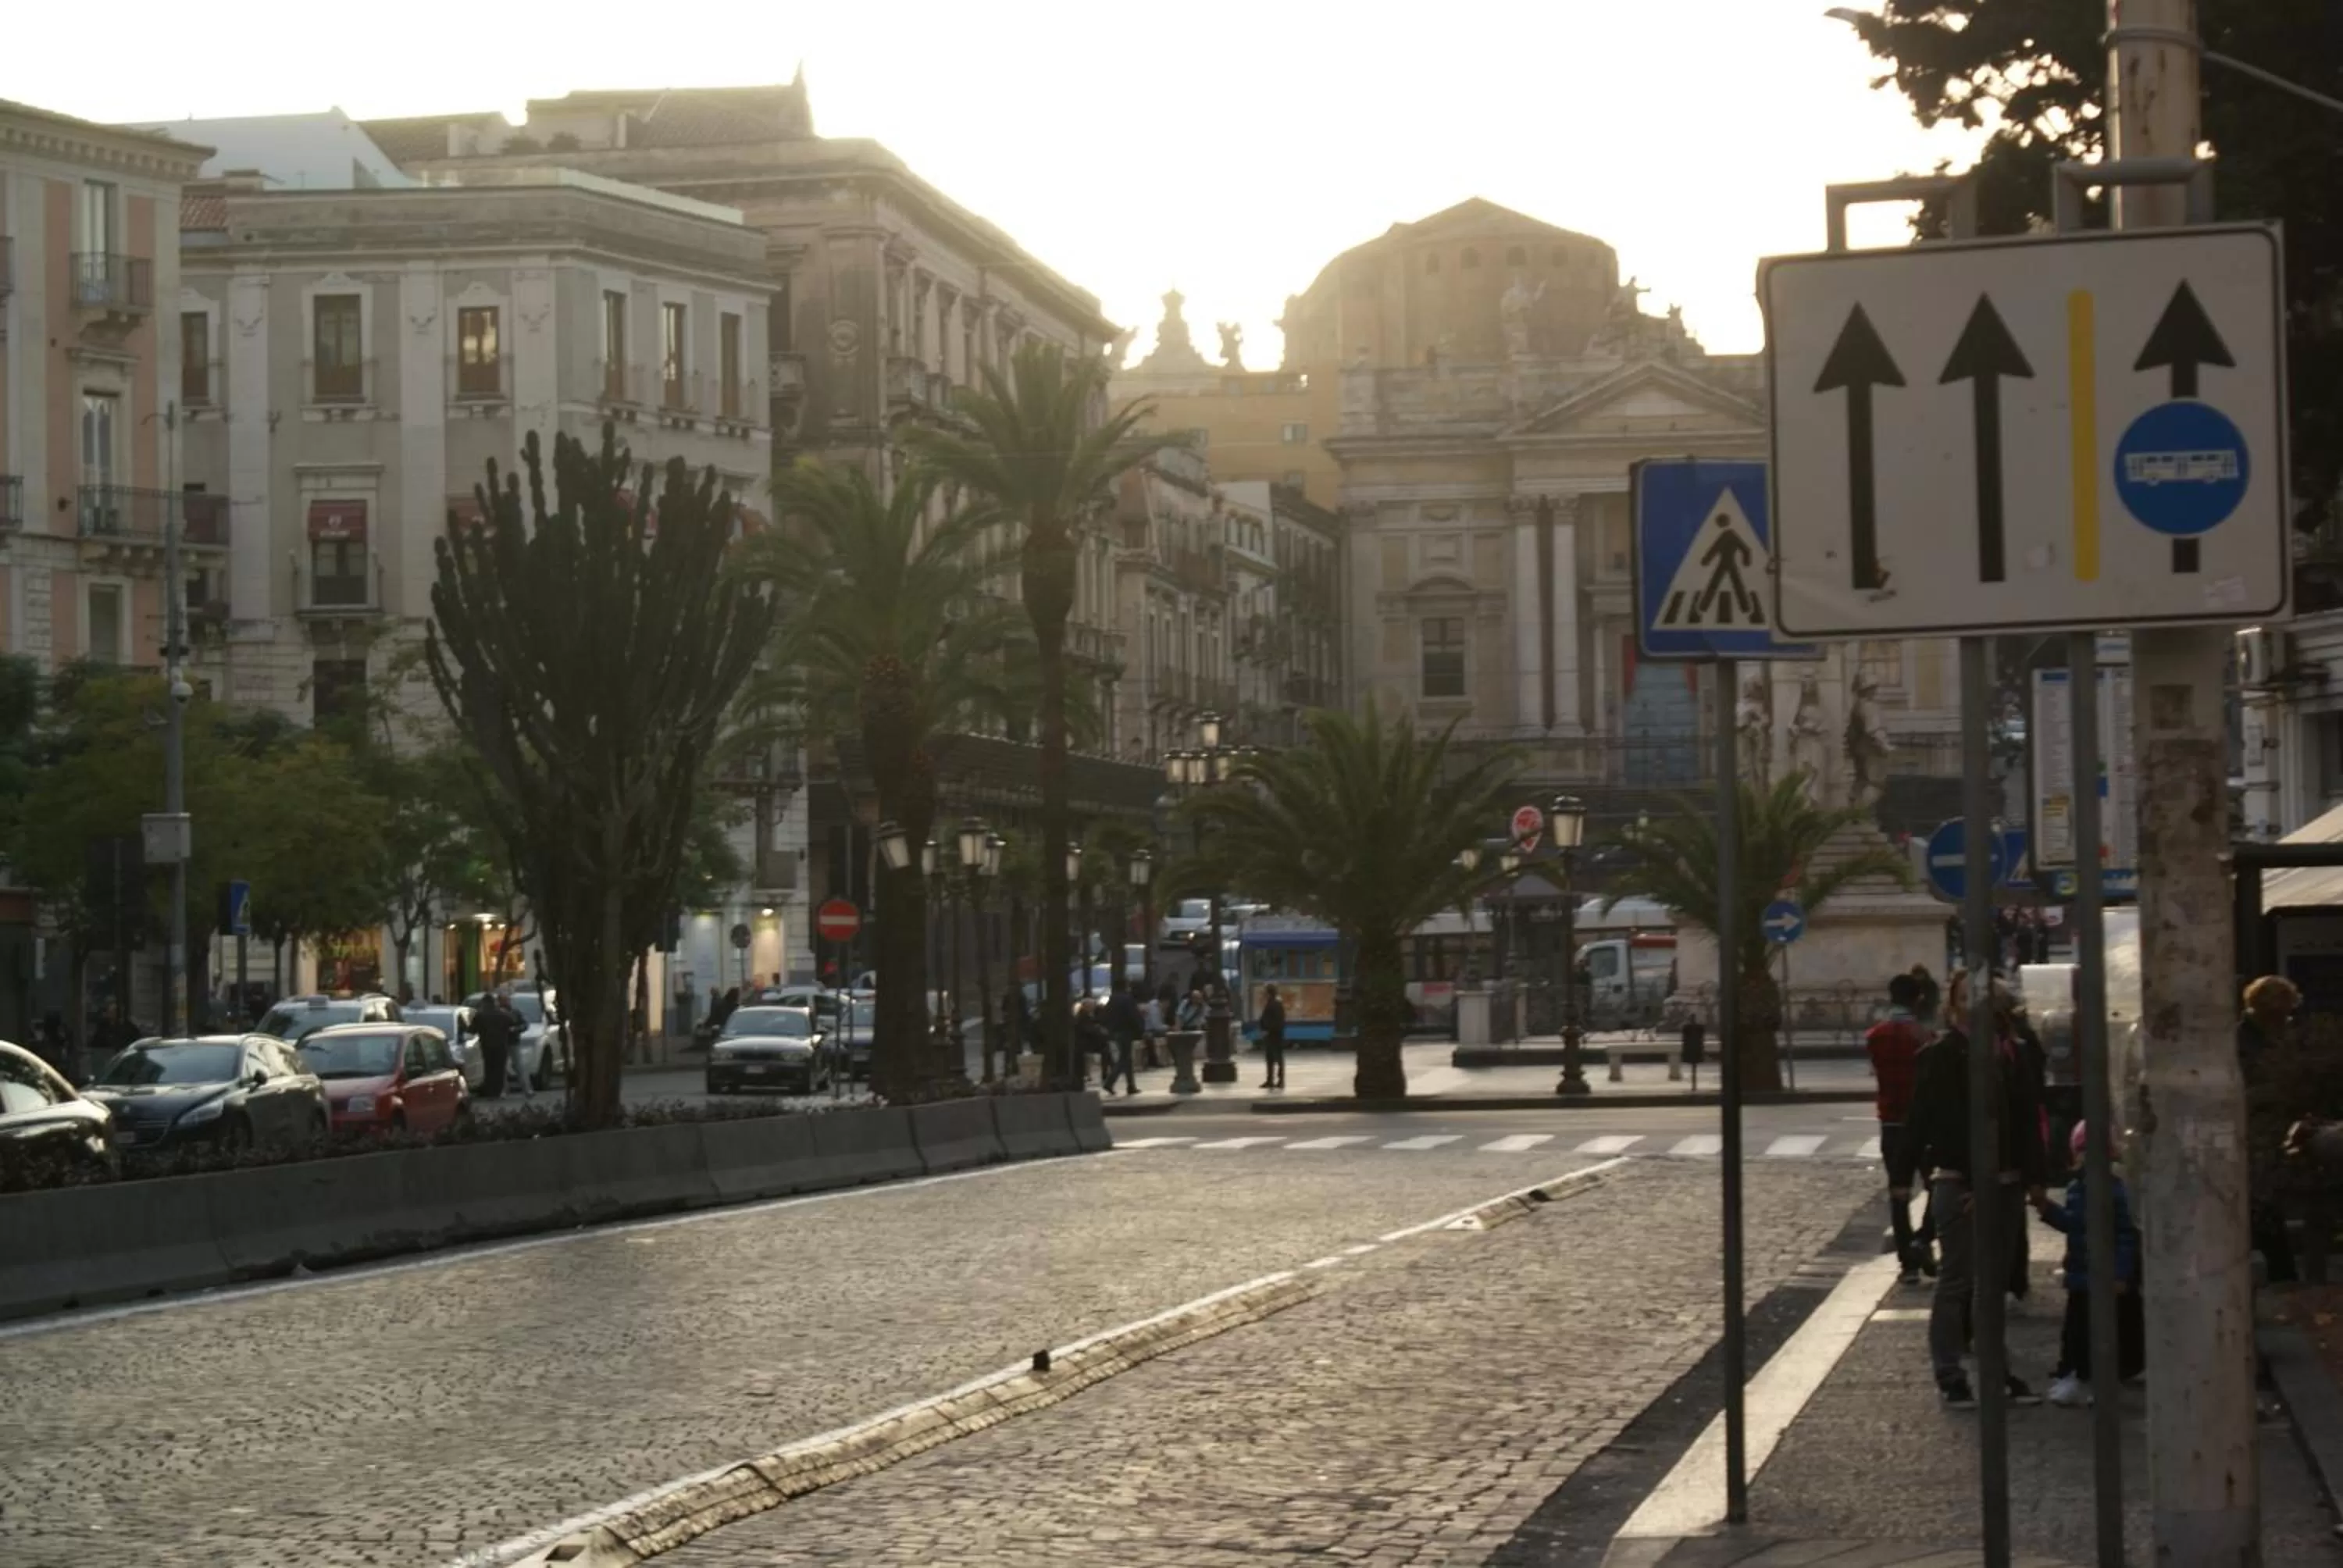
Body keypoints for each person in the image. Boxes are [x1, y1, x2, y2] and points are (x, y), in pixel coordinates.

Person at [1908, 968, 2048, 1409]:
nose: (1977, 1001)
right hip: (1961, 1183)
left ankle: (1996, 1372)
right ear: (1954, 1003)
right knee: (1958, 1281)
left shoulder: (2015, 1051)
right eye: (1968, 995)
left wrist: (2036, 1178)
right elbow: (1937, 1123)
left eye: (1985, 993)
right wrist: (1971, 1179)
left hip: (2006, 1183)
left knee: (1993, 1283)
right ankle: (1950, 1374)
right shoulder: (1942, 1053)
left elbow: (2028, 1118)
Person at [2035, 1121, 2145, 1406]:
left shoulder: (2111, 1191)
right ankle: (2075, 1374)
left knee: (2102, 1332)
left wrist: (2121, 1274)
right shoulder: (2078, 1188)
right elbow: (2075, 1225)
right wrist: (2047, 1210)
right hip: (2082, 1275)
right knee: (2077, 1331)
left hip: (2103, 1276)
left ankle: (2097, 1380)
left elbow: (2124, 1236)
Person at [1866, 973, 1934, 1283]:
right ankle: (1924, 1240)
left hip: (1891, 1121)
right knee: (1938, 1187)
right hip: (1922, 1122)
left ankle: (1908, 1263)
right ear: (1918, 998)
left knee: (1899, 1192)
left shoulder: (1876, 1035)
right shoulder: (1924, 1036)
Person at [2238, 975, 2302, 1285]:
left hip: (2278, 1124)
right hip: (2259, 1127)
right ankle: (2281, 1269)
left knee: (2264, 1200)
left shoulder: (2282, 1035)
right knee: (2263, 1200)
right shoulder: (2244, 1040)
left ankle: (2278, 1267)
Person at [1102, 978, 1143, 1096]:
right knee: (1124, 1059)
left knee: (1127, 1058)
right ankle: (1110, 1082)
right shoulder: (1127, 999)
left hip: (1115, 1031)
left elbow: (1105, 1016)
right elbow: (1133, 1015)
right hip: (1126, 1031)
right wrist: (1139, 1029)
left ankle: (1131, 1085)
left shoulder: (1112, 999)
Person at [475, 990, 519, 1098]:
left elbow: (472, 1029)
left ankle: (490, 1092)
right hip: (501, 1045)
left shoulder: (480, 1015)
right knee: (499, 1069)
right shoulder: (502, 1014)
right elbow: (513, 1021)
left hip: (486, 1045)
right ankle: (497, 1092)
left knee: (489, 1068)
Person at [1258, 983, 1288, 1090]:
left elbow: (1277, 1021)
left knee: (1277, 1058)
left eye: (1265, 991)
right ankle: (1270, 1080)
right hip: (1272, 1035)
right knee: (1270, 1058)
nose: (1263, 994)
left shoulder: (1275, 1004)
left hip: (1274, 1036)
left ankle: (1280, 1080)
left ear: (1269, 993)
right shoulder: (1272, 1003)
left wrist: (1267, 1030)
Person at [1141, 986, 1168, 1071]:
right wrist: (1169, 1028)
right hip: (1149, 1030)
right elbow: (1156, 1026)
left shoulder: (1158, 1007)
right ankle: (1153, 1061)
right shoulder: (1154, 1008)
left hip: (1153, 1030)